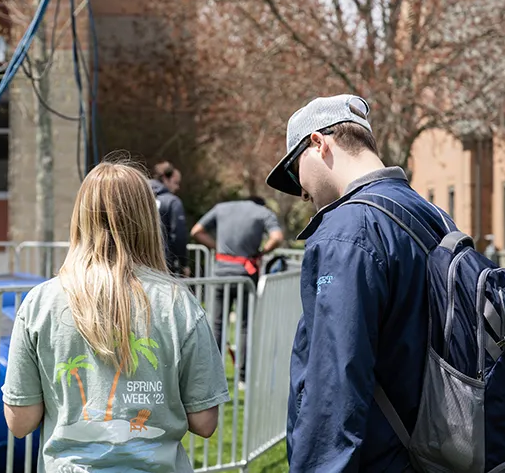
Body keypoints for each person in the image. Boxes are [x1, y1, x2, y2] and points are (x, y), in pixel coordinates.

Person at [265, 94, 454, 471]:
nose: (301, 191)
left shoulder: (348, 231)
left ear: (319, 143)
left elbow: (335, 381)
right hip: (440, 452)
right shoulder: (430, 215)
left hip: (383, 457)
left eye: (294, 170)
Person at [2, 161, 230, 472]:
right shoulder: (179, 302)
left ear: (80, 218)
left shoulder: (41, 303)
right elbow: (204, 421)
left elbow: (19, 421)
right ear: (147, 219)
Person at [190, 195, 284, 350]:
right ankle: (242, 373)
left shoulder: (221, 208)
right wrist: (261, 252)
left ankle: (215, 370)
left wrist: (217, 248)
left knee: (217, 325)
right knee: (245, 327)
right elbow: (277, 237)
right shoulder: (262, 212)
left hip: (220, 275)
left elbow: (196, 231)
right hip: (245, 276)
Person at [149, 161, 189, 276]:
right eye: (175, 182)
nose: (177, 187)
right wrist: (183, 264)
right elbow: (179, 235)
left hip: (137, 262)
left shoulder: (139, 196)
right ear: (166, 179)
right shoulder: (172, 201)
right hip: (164, 263)